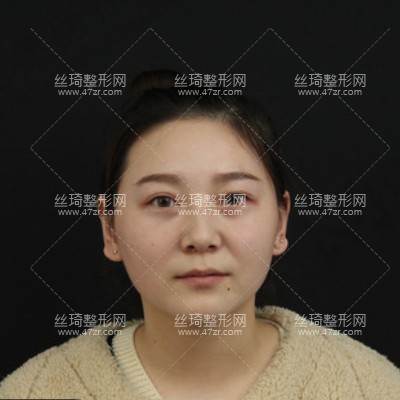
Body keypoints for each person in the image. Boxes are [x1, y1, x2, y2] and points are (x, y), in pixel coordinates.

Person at [1, 70, 399, 399]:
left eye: (234, 198)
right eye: (162, 201)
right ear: (111, 229)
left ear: (280, 222)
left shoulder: (370, 387)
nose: (201, 235)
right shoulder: (34, 391)